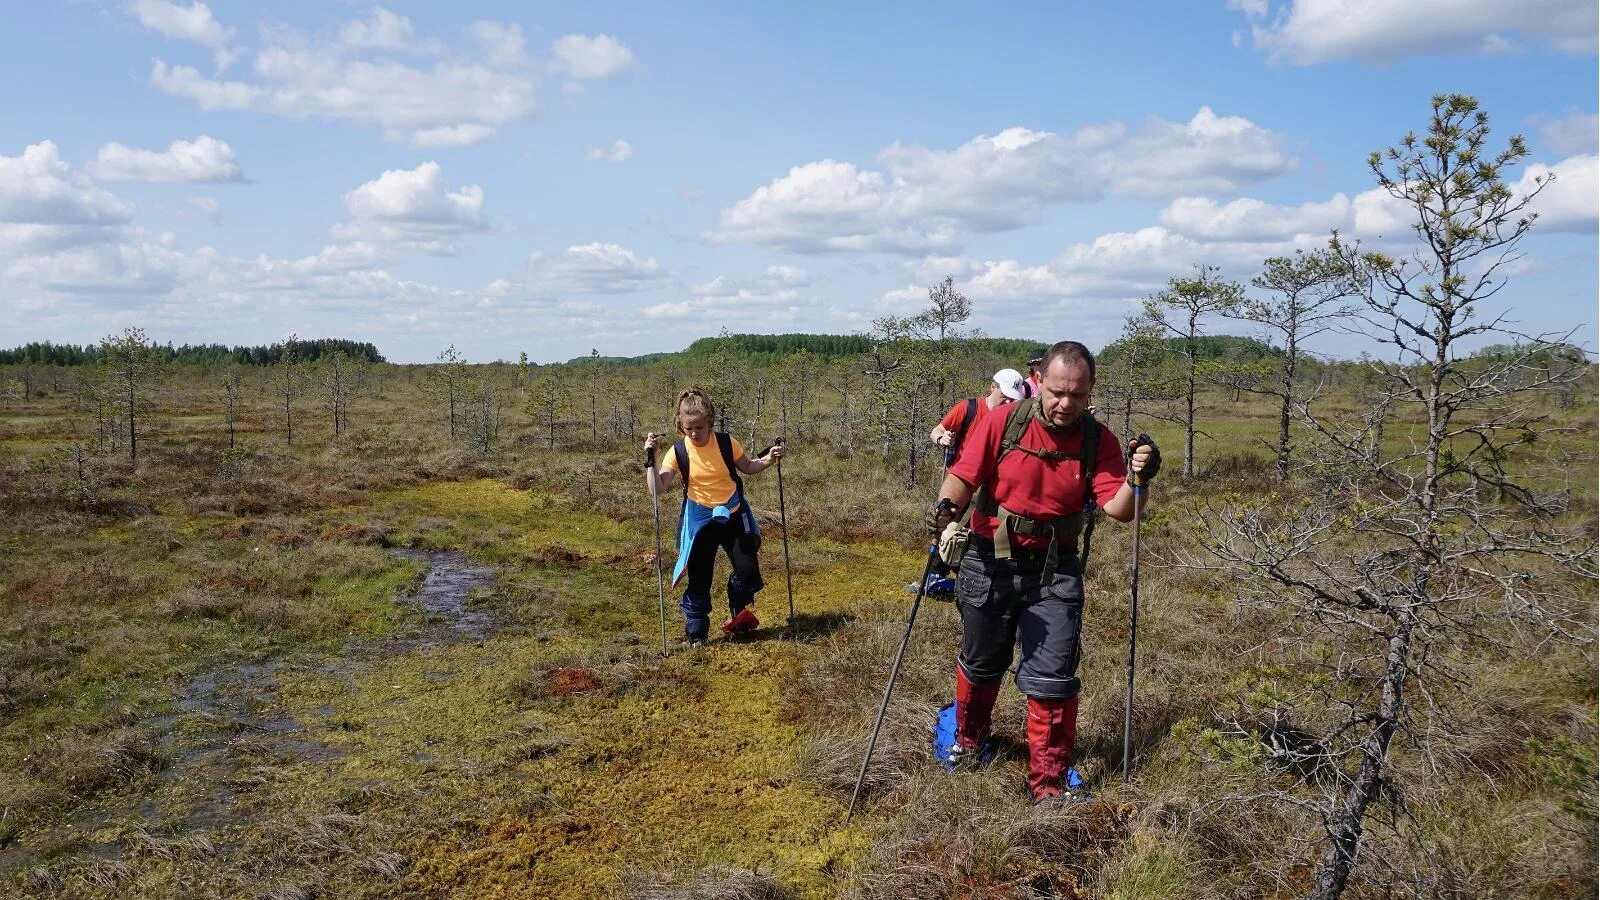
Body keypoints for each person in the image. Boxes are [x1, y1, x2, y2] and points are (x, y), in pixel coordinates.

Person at [927, 340, 1161, 803]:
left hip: (1055, 571)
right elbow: (964, 475)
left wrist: (1140, 480)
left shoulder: (1100, 441)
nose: (1064, 403)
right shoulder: (1001, 422)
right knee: (982, 661)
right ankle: (969, 743)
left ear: (1091, 390)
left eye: (1076, 394)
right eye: (1056, 392)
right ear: (1040, 385)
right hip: (987, 560)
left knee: (1053, 678)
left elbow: (1119, 510)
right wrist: (946, 509)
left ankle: (1048, 785)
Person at [645, 387, 785, 646]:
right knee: (700, 578)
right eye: (689, 428)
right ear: (681, 426)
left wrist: (768, 460)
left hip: (733, 513)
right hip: (699, 521)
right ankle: (696, 634)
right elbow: (657, 488)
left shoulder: (725, 442)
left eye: (700, 427)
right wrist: (651, 458)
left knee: (748, 570)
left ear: (709, 421)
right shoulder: (677, 452)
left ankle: (738, 610)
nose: (695, 433)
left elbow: (748, 467)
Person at [929, 368, 1027, 468]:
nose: (1008, 402)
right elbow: (936, 431)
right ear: (993, 387)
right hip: (960, 477)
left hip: (991, 480)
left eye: (1012, 398)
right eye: (1004, 395)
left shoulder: (1013, 418)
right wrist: (942, 439)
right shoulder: (968, 408)